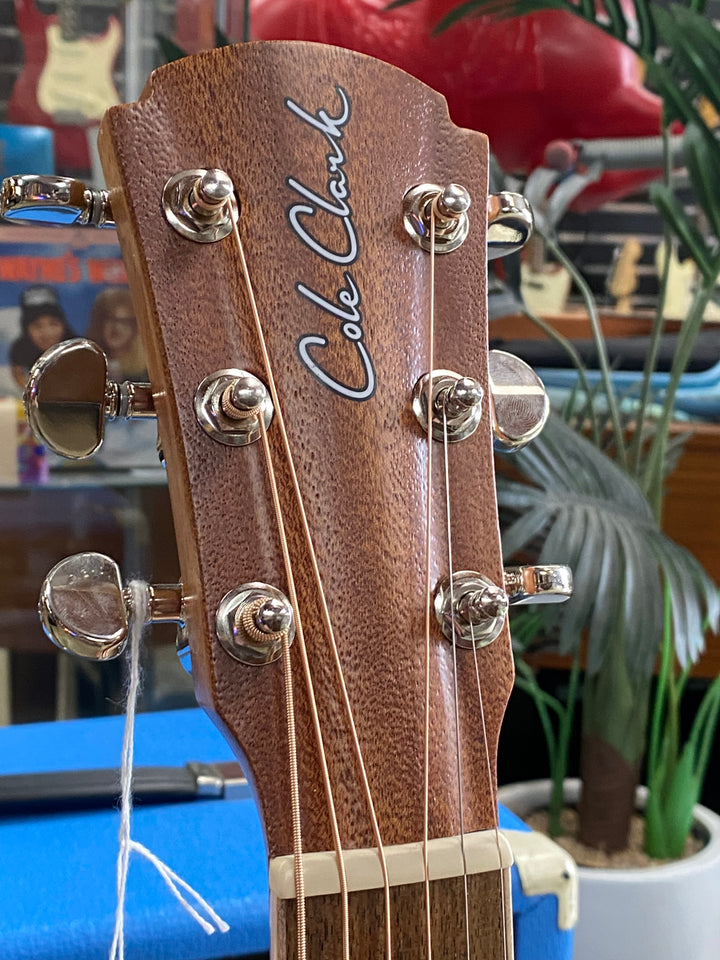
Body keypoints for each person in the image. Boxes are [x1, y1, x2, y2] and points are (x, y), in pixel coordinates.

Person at [9, 286, 75, 390]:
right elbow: (19, 378)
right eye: (37, 326)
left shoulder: (78, 348)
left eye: (53, 324)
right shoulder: (19, 350)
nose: (47, 333)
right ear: (26, 329)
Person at [86, 287, 147, 382]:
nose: (116, 328)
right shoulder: (85, 366)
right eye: (110, 319)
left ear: (135, 327)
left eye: (123, 322)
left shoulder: (147, 373)